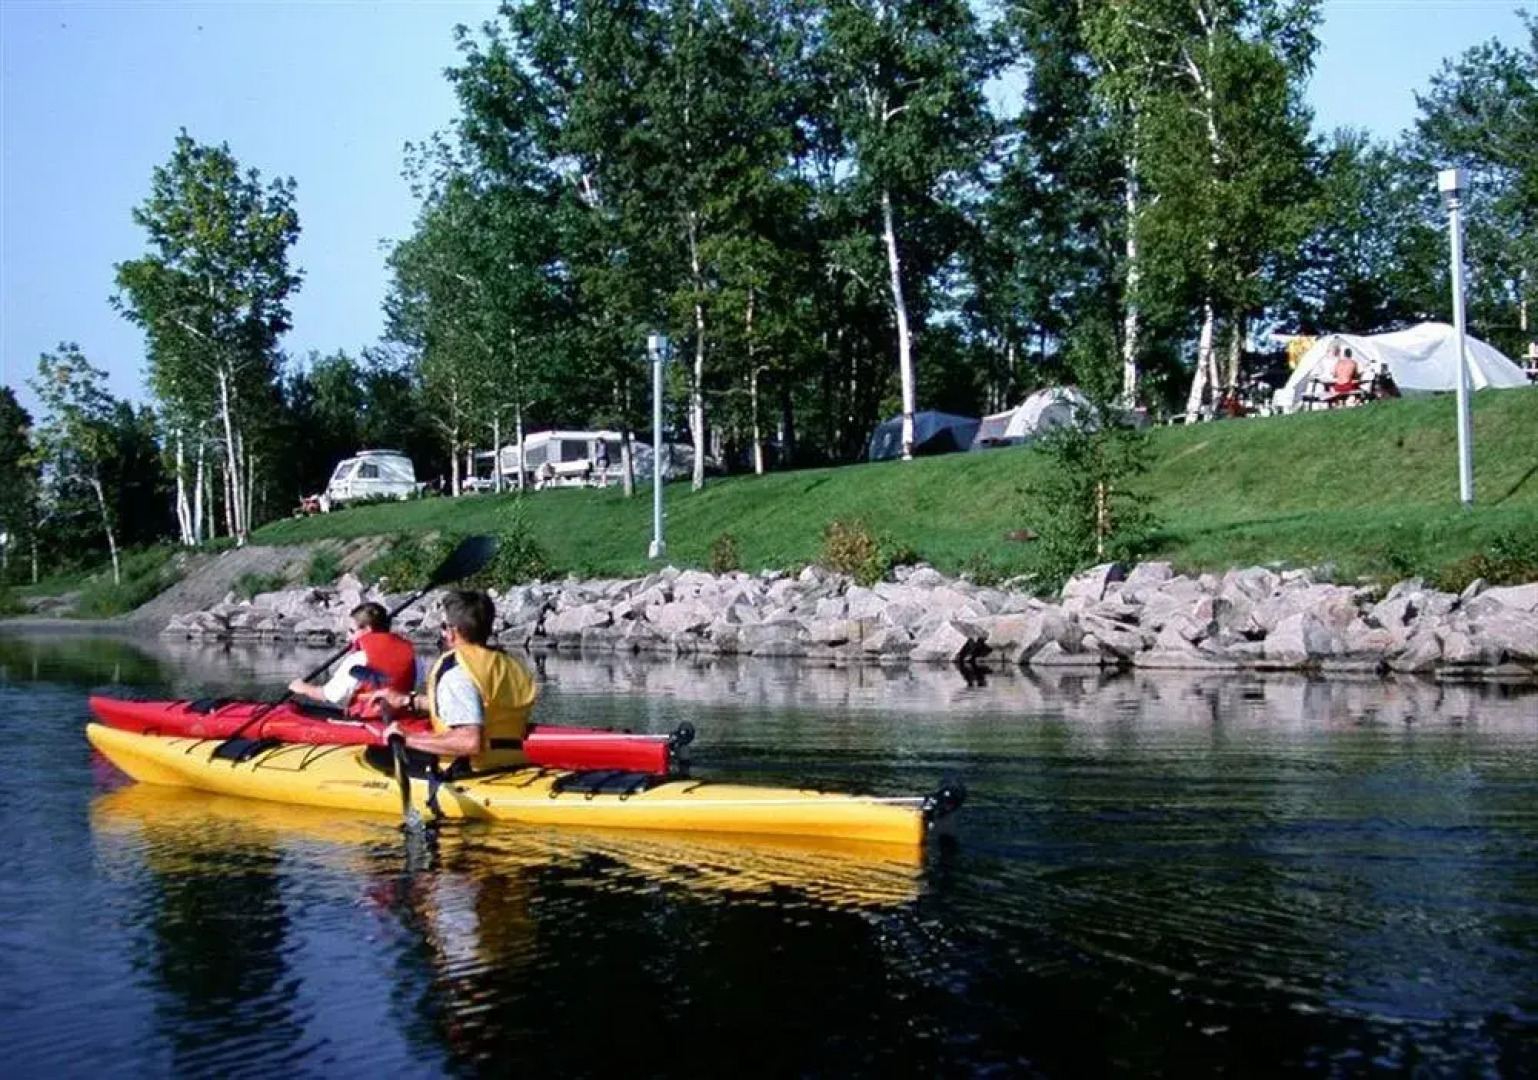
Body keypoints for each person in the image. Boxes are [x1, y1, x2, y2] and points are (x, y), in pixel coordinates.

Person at [370, 589, 537, 773]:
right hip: (515, 764)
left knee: (375, 754)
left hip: (466, 772)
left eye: (443, 626)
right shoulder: (508, 664)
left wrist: (407, 738)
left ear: (452, 631)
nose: (442, 632)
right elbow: (480, 705)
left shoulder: (456, 672)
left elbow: (469, 742)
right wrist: (408, 701)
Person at [288, 601, 418, 718]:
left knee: (297, 707)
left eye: (352, 631)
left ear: (367, 629)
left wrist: (302, 687)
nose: (348, 637)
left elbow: (328, 695)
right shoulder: (410, 655)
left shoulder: (358, 659)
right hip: (400, 716)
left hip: (365, 720)